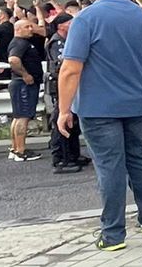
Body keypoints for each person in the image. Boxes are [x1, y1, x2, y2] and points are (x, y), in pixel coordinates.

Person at [58, 0, 142, 252]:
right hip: (136, 101)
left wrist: (64, 110)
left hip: (98, 106)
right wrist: (131, 64)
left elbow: (70, 69)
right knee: (138, 159)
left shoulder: (86, 19)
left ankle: (113, 234)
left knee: (110, 167)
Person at [46, 13, 86, 173]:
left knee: (73, 123)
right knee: (61, 122)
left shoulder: (68, 40)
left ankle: (74, 154)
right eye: (71, 23)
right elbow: (63, 64)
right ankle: (61, 159)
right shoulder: (57, 42)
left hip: (70, 84)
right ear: (61, 26)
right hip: (59, 86)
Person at [6, 19, 45, 162]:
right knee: (23, 117)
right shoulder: (20, 43)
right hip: (23, 84)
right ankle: (21, 151)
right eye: (27, 27)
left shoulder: (22, 42)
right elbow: (13, 60)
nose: (31, 29)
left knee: (18, 117)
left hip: (20, 84)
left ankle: (15, 148)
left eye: (31, 26)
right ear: (18, 29)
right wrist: (25, 74)